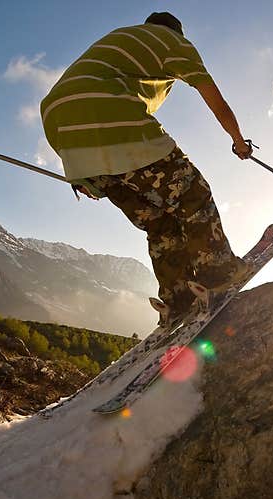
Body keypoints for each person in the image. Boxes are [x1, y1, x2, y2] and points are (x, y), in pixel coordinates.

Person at [41, 11, 254, 326]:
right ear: (176, 32)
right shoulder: (174, 43)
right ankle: (218, 272)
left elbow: (72, 103)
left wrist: (83, 173)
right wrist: (238, 140)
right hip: (111, 115)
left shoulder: (123, 38)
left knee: (159, 222)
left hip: (61, 129)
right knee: (192, 193)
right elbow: (215, 100)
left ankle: (178, 296)